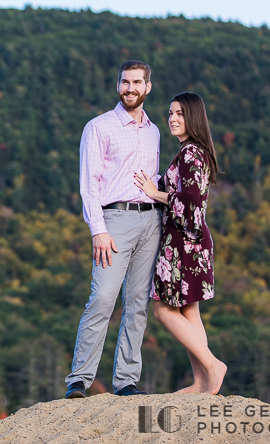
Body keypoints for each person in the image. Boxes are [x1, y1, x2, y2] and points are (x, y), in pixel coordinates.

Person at [65, 60, 161, 399]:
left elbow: (152, 179)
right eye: (124, 82)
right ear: (117, 85)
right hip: (114, 220)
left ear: (148, 87)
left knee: (137, 303)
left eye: (137, 82)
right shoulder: (99, 127)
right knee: (103, 297)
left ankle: (126, 381)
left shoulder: (154, 131)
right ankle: (79, 379)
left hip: (152, 221)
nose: (130, 88)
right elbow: (89, 183)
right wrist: (97, 229)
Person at [133, 92, 227, 394]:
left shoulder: (190, 154)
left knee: (162, 309)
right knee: (190, 312)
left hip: (183, 244)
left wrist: (153, 191)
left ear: (193, 118)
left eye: (180, 114)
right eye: (171, 113)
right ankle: (201, 382)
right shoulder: (194, 151)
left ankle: (213, 366)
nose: (173, 119)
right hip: (192, 241)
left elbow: (191, 204)